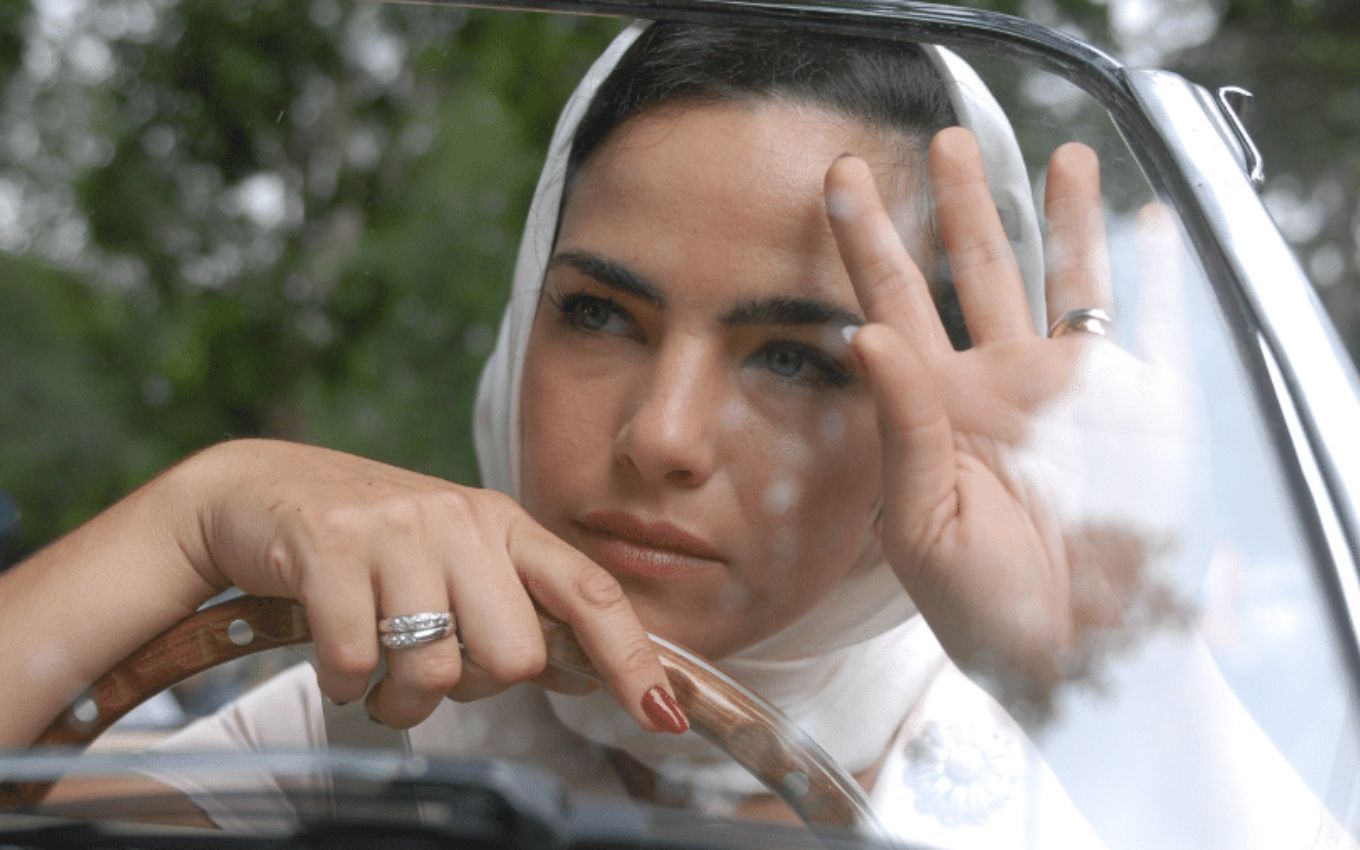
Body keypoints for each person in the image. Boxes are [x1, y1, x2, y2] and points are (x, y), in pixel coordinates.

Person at [0, 20, 1350, 850]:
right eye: (597, 311)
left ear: (925, 416)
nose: (662, 435)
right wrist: (196, 510)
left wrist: (1127, 696)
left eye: (790, 354)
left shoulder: (1088, 801)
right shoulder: (366, 731)